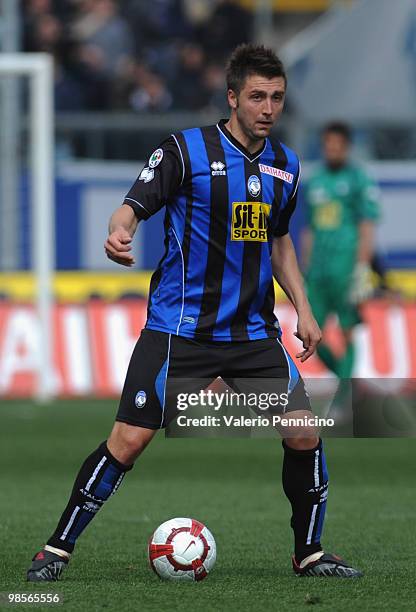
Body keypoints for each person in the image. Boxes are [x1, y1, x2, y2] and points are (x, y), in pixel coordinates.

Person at [27, 44, 362, 581]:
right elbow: (133, 203)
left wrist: (304, 307)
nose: (268, 107)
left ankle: (310, 552)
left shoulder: (285, 165)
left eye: (276, 97)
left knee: (304, 433)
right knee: (129, 441)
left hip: (253, 333)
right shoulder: (185, 151)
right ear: (232, 97)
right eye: (256, 96)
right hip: (179, 329)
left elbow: (279, 244)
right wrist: (121, 229)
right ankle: (57, 549)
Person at [301, 123, 380, 401]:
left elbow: (367, 226)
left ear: (346, 146)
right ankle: (346, 383)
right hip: (318, 271)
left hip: (346, 267)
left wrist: (362, 267)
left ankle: (343, 398)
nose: (331, 149)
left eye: (337, 144)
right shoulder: (317, 180)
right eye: (327, 144)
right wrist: (306, 266)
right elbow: (309, 227)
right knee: (308, 332)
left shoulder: (359, 179)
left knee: (347, 330)